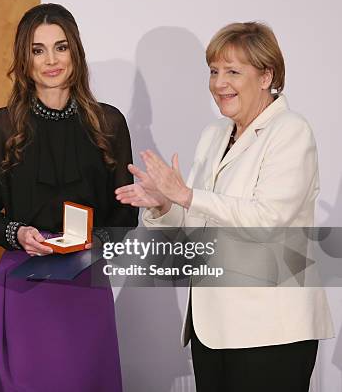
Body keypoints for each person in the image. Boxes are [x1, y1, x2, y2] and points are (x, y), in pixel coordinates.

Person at [116, 22, 334, 391]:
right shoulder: (214, 134)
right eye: (214, 71)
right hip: (213, 329)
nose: (219, 83)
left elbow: (268, 221)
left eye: (233, 71)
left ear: (266, 76)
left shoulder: (291, 131)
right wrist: (163, 205)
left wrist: (186, 195)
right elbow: (197, 222)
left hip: (270, 333)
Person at [0, 3, 138, 392]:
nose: (51, 60)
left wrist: (93, 244)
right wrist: (19, 233)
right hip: (24, 284)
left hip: (85, 285)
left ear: (75, 51)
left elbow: (125, 215)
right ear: (24, 59)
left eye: (60, 47)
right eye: (38, 50)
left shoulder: (109, 123)